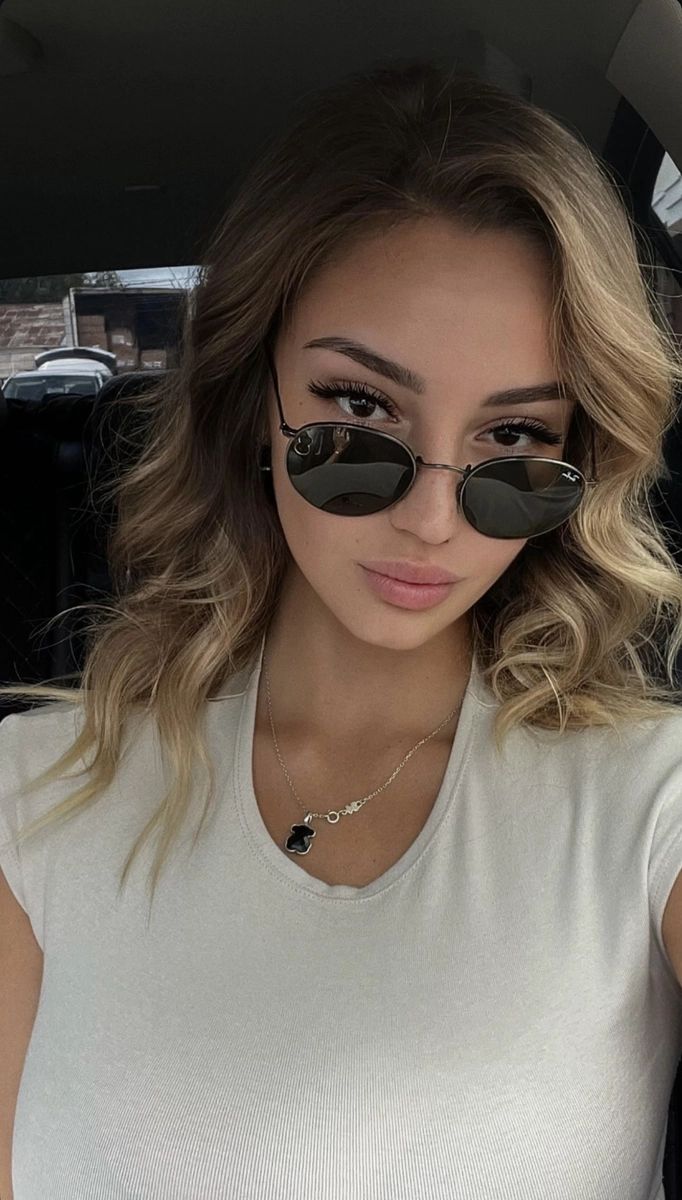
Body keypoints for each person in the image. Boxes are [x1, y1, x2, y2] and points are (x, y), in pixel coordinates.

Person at [2, 56, 682, 1200]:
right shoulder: (35, 802)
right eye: (359, 412)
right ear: (252, 405)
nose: (430, 519)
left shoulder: (647, 801)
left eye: (513, 442)